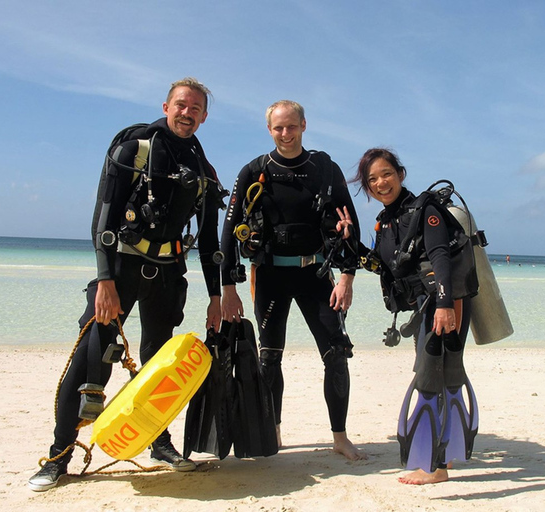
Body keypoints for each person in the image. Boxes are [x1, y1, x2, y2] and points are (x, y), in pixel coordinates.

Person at [29, 77, 225, 492]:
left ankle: (159, 442)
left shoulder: (203, 171)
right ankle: (59, 456)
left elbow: (209, 240)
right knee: (89, 359)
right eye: (181, 105)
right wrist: (104, 280)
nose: (187, 113)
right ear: (166, 105)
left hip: (169, 274)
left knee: (159, 369)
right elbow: (103, 216)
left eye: (195, 109)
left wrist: (215, 295)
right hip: (121, 270)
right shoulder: (134, 150)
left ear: (204, 117)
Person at [220, 100, 366, 461]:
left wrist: (346, 277)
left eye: (291, 127)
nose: (285, 134)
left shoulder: (323, 168)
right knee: (269, 358)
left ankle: (340, 437)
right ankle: (274, 433)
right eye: (278, 128)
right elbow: (227, 231)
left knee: (336, 354)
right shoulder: (253, 170)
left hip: (316, 274)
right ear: (269, 130)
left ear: (304, 125)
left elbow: (351, 224)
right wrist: (227, 288)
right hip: (270, 275)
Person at [341, 147, 478, 484]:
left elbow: (441, 255)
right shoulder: (387, 221)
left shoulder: (424, 209)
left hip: (444, 303)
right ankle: (440, 460)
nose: (380, 182)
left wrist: (445, 305)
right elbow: (383, 266)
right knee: (436, 377)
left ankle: (436, 468)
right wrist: (349, 242)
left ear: (400, 175)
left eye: (386, 174)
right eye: (372, 179)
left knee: (434, 379)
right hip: (424, 306)